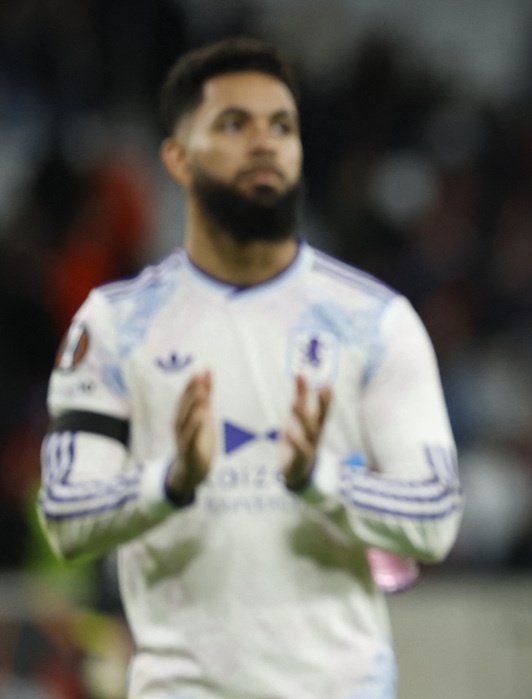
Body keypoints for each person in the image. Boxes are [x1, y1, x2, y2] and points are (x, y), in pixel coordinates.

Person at [37, 37, 462, 698]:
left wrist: (318, 481)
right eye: (234, 124)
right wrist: (172, 481)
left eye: (282, 126)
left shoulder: (374, 320)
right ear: (177, 157)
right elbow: (65, 514)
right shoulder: (117, 324)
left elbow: (434, 517)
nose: (265, 142)